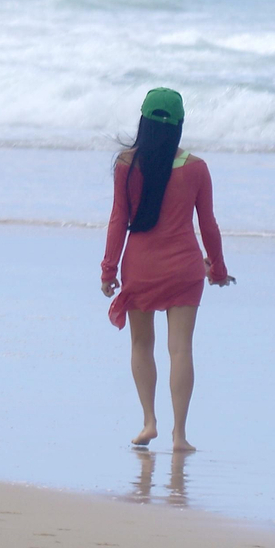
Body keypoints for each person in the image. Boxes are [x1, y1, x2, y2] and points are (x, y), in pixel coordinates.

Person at [100, 88, 232, 452]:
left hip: (140, 267)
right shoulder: (196, 168)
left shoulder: (127, 165)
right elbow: (209, 227)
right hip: (185, 268)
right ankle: (180, 435)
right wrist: (217, 270)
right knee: (181, 350)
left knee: (142, 344)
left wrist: (108, 270)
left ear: (142, 122)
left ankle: (148, 421)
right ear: (179, 126)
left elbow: (118, 219)